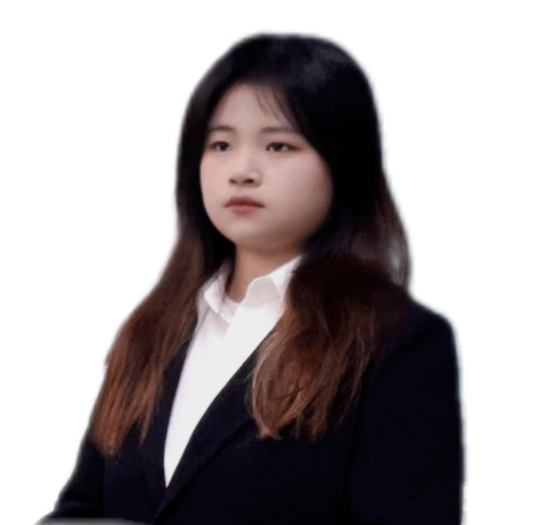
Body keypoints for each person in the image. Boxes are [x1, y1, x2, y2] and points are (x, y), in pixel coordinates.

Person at [40, 33, 463, 524]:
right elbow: (82, 509)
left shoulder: (398, 344)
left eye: (279, 145)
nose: (241, 170)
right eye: (220, 144)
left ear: (343, 163)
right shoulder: (151, 331)